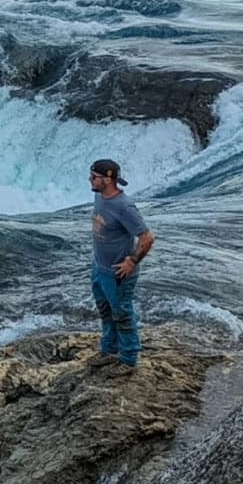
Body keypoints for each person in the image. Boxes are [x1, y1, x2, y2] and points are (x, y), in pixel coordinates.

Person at [89, 158, 154, 372]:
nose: (90, 180)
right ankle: (109, 350)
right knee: (106, 312)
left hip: (118, 274)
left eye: (95, 177)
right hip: (100, 268)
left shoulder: (124, 206)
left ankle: (128, 360)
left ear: (108, 179)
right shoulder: (100, 196)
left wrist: (132, 261)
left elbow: (147, 237)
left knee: (122, 314)